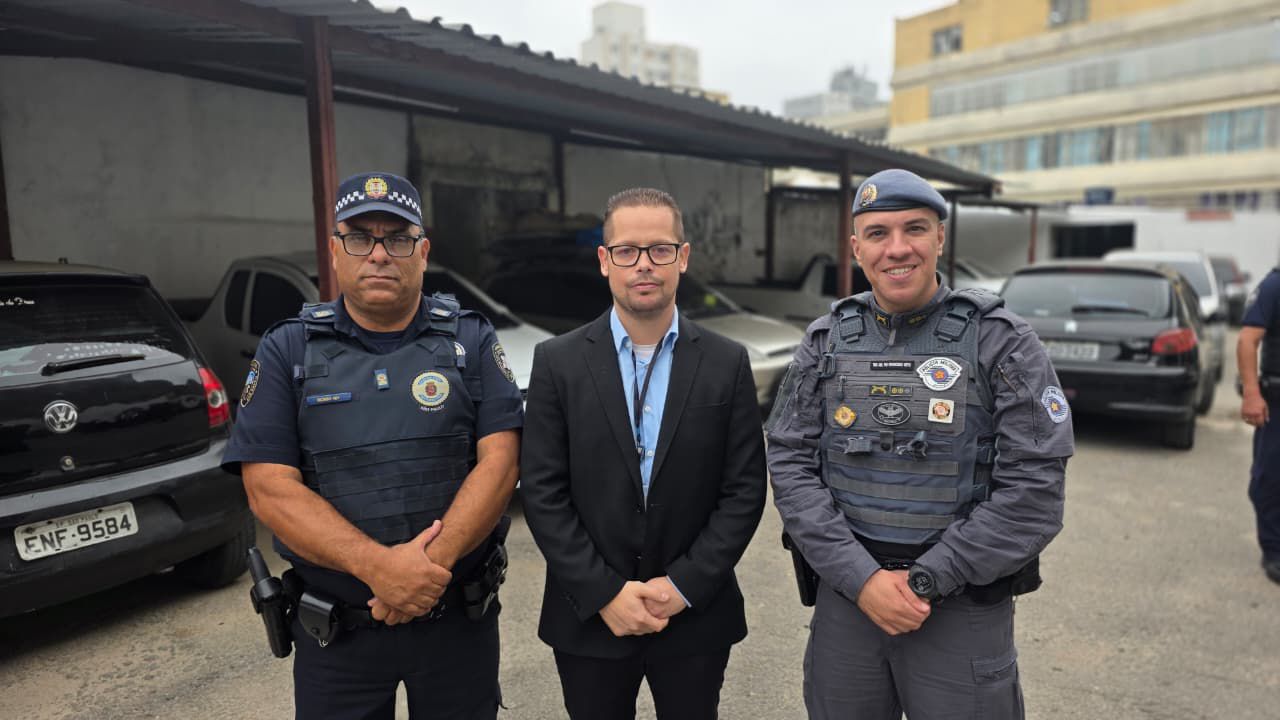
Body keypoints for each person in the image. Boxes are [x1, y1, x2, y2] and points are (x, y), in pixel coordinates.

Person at [765, 169, 1073, 720]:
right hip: (850, 602)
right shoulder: (825, 340)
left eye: (915, 229)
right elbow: (789, 462)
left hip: (959, 609)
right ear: (856, 247)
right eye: (879, 234)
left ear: (940, 238)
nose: (897, 248)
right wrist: (862, 580)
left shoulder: (1002, 340)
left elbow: (1035, 490)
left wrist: (929, 578)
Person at [222, 172, 522, 719]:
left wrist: (423, 572)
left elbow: (500, 464)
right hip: (339, 635)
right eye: (360, 238)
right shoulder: (288, 347)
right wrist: (380, 569)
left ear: (423, 252)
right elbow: (268, 490)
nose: (379, 254)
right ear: (335, 251)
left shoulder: (469, 339)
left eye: (398, 238)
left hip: (455, 621)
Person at [519, 188, 767, 720]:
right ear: (605, 261)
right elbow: (542, 490)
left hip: (695, 615)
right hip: (590, 615)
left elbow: (743, 490)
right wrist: (604, 592)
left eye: (660, 249)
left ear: (683, 256)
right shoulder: (557, 362)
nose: (644, 265)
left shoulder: (726, 363)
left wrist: (683, 585)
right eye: (628, 250)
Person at [1238, 265, 1280, 584]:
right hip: (1277, 401)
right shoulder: (1274, 285)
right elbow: (1248, 340)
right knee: (1269, 478)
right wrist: (1252, 394)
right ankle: (1274, 549)